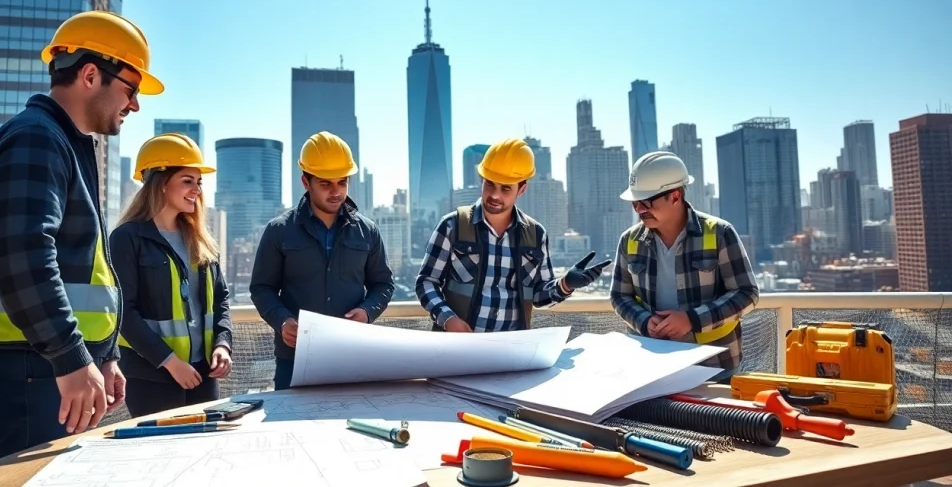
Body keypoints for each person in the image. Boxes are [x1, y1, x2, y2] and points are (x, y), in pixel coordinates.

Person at [0, 10, 163, 464]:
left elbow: (79, 266)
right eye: (130, 90)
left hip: (41, 370)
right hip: (27, 374)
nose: (134, 105)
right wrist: (71, 357)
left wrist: (104, 354)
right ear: (91, 75)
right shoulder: (36, 140)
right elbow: (23, 260)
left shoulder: (59, 143)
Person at [415, 138, 609, 333]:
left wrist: (565, 284)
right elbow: (426, 282)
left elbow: (539, 296)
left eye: (506, 188)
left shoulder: (535, 235)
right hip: (458, 346)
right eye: (490, 184)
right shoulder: (452, 225)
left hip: (513, 348)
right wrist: (448, 318)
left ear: (521, 189)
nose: (495, 195)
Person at [249, 131, 394, 390]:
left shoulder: (368, 231)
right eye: (326, 184)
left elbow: (383, 284)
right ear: (306, 182)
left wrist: (367, 312)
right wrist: (282, 320)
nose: (336, 192)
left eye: (342, 182)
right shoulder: (279, 230)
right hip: (294, 358)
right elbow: (262, 288)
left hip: (351, 354)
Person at [109, 133, 234, 417]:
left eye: (199, 182)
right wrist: (169, 361)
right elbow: (122, 312)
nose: (197, 190)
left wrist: (223, 345)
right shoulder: (127, 238)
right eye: (187, 181)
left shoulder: (200, 239)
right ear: (160, 184)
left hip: (204, 374)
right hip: (151, 376)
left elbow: (221, 300)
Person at [609, 151, 760, 381]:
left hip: (714, 366)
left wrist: (692, 320)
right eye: (635, 203)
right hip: (650, 364)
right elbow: (619, 296)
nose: (639, 210)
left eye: (646, 201)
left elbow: (747, 294)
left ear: (676, 196)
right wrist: (645, 322)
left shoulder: (720, 233)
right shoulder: (629, 240)